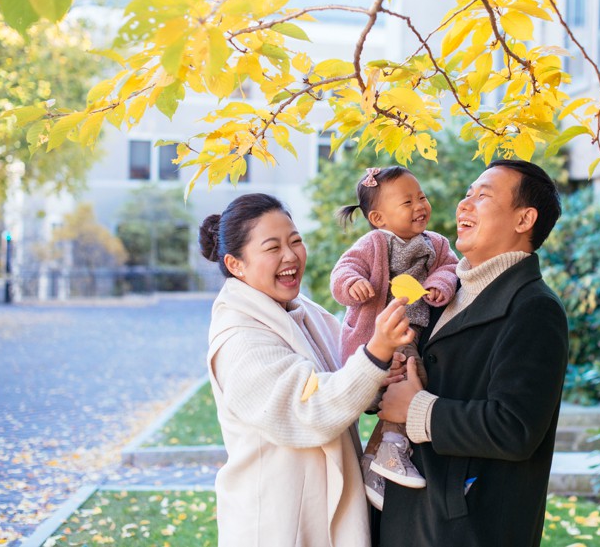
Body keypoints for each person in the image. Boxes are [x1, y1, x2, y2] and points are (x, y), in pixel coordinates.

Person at [199, 193, 414, 547]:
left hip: (319, 513)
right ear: (235, 264)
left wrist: (382, 373)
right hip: (276, 525)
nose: (290, 256)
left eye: (295, 240)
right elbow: (308, 408)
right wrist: (375, 354)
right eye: (272, 247)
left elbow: (345, 375)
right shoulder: (239, 338)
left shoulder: (303, 311)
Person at [377, 159, 569, 547]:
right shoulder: (442, 293)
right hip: (409, 515)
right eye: (467, 195)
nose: (464, 205)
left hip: (468, 527)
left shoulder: (534, 308)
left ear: (524, 219)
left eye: (482, 196)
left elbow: (515, 428)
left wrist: (415, 409)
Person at [331, 166, 458, 505]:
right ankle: (390, 453)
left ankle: (376, 466)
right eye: (407, 201)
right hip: (375, 338)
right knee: (410, 382)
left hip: (408, 336)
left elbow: (450, 267)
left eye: (422, 197)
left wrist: (438, 285)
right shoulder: (373, 243)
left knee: (409, 383)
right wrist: (352, 284)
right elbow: (344, 270)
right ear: (378, 217)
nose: (420, 206)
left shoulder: (436, 243)